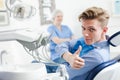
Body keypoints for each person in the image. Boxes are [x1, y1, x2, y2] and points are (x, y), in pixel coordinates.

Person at [55, 7, 110, 80]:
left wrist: (66, 59)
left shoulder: (96, 56)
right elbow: (60, 45)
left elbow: (61, 75)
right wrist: (69, 57)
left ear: (104, 30)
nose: (85, 34)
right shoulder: (90, 40)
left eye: (91, 29)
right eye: (83, 28)